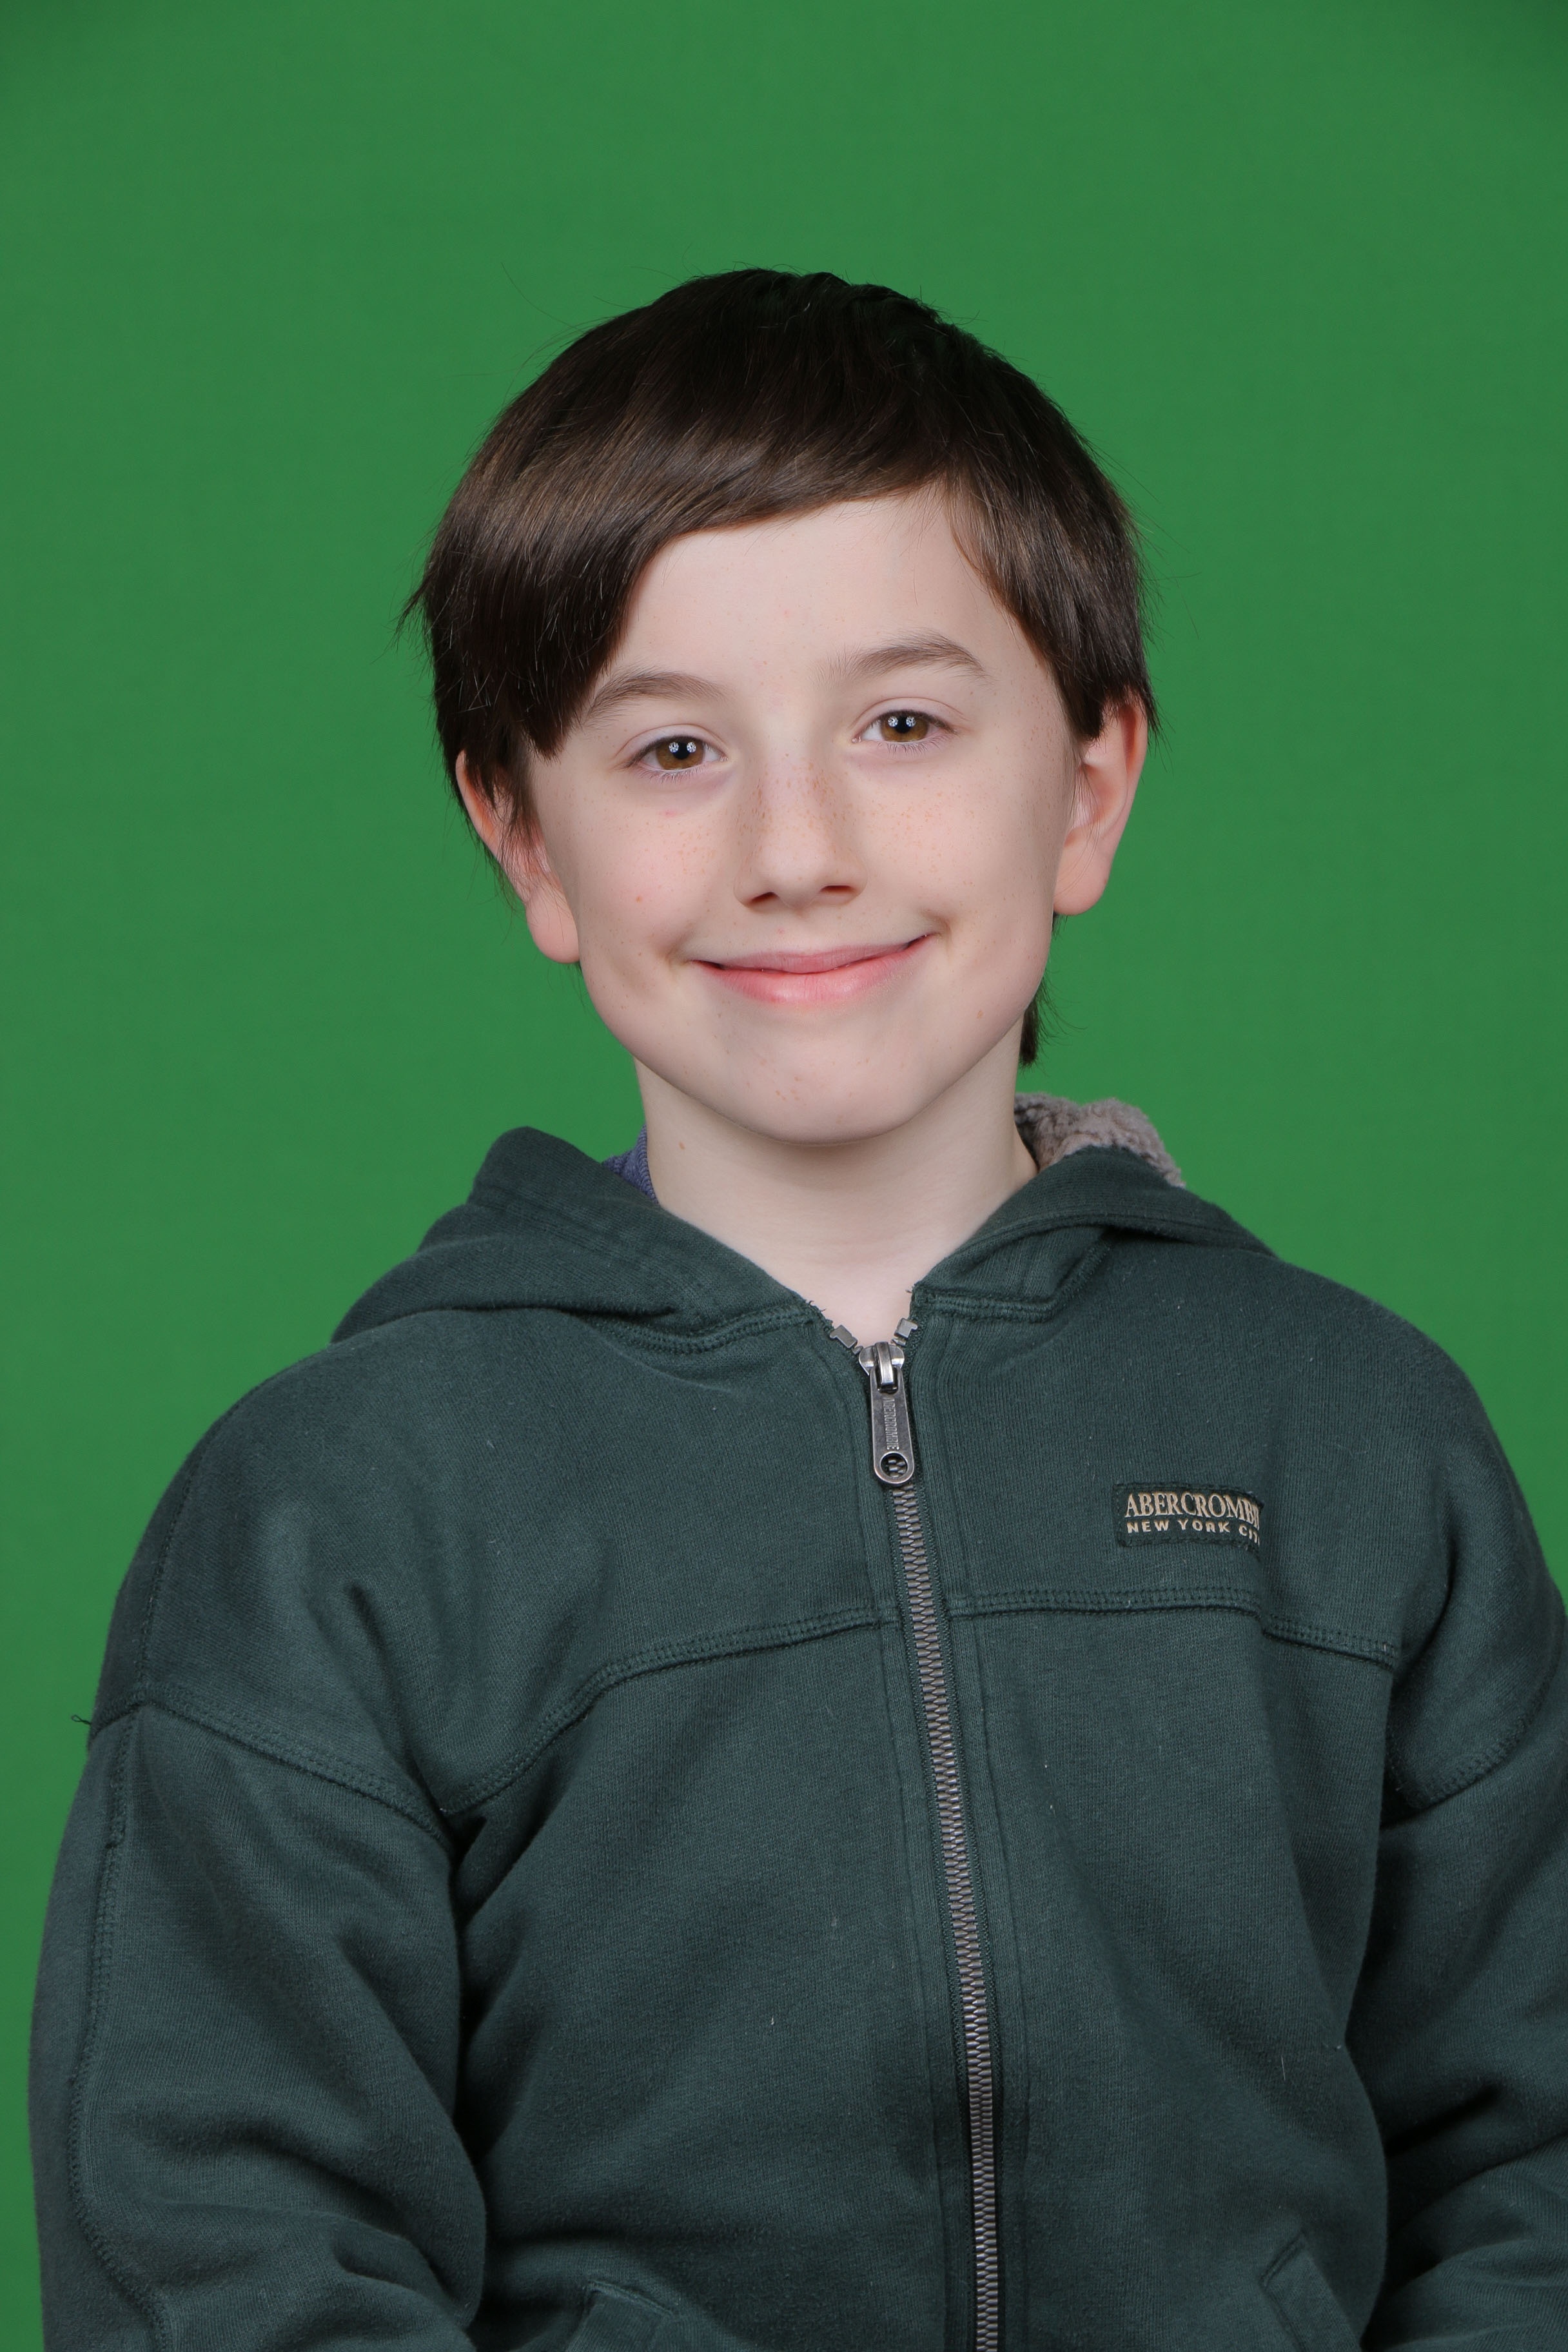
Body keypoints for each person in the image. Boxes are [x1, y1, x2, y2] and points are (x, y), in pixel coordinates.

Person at [30, 270, 1568, 2352]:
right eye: (675, 749)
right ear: (526, 836)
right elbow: (224, 2249)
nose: (797, 850)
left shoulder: (1359, 1437)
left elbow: (1531, 2171)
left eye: (903, 725)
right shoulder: (336, 1512)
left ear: (1089, 784)